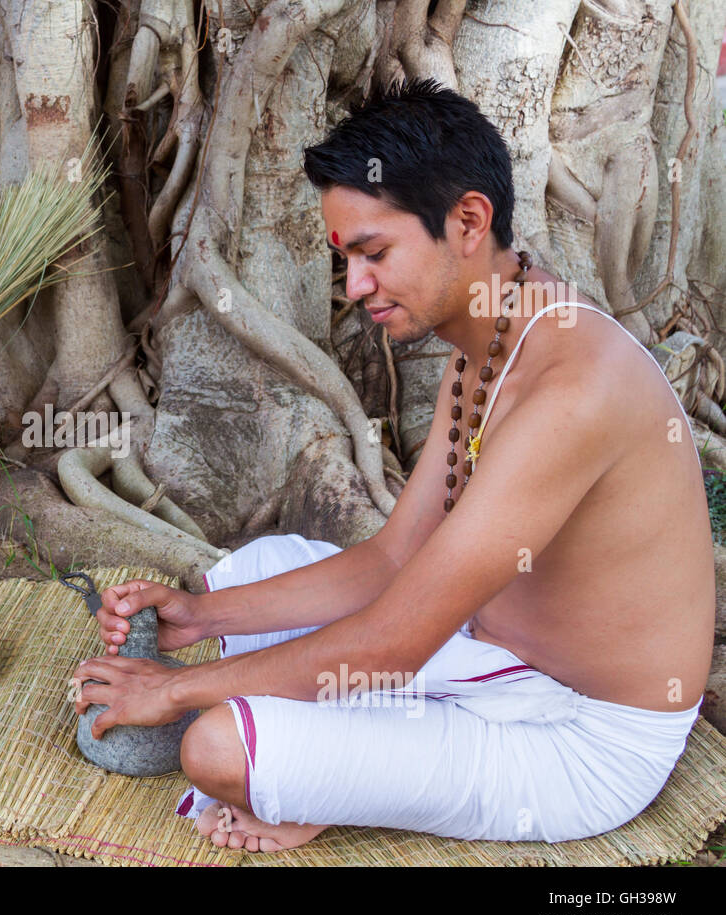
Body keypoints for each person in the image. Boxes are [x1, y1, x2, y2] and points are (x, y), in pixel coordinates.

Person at [71, 78, 714, 853]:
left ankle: (329, 779)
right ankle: (340, 759)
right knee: (249, 571)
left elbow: (392, 645)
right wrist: (203, 620)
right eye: (348, 259)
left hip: (581, 738)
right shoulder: (489, 344)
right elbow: (397, 556)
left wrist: (175, 691)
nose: (356, 287)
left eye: (375, 253)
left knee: (215, 746)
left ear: (469, 220)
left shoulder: (572, 390)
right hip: (486, 657)